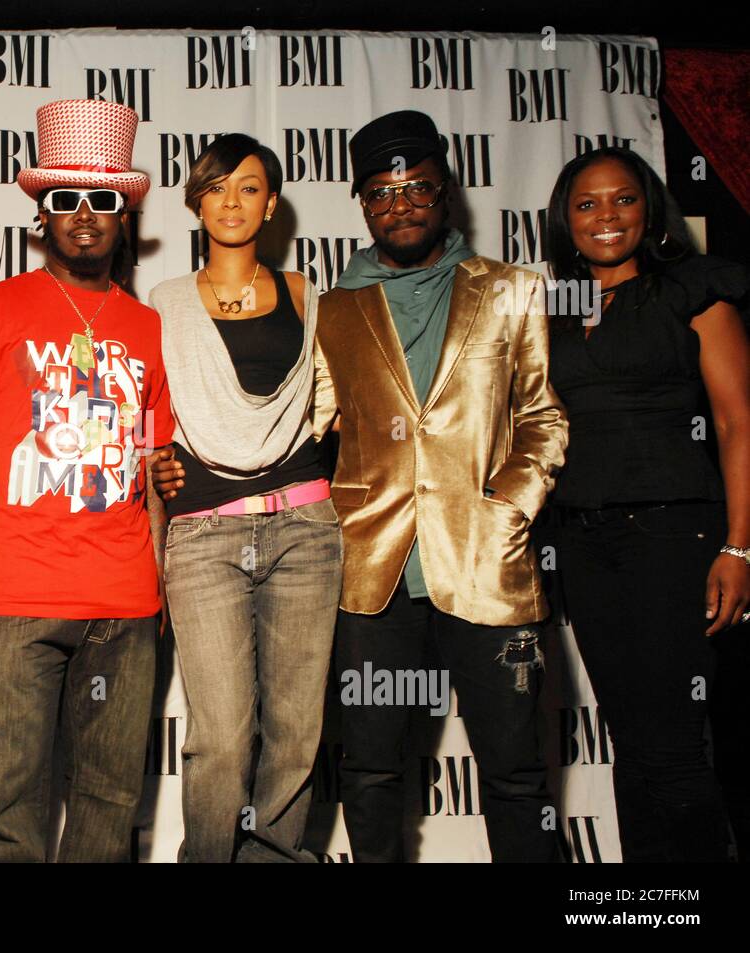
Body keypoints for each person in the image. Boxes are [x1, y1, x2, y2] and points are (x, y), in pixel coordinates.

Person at [165, 110, 568, 862]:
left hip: (485, 563)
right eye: (381, 194)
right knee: (371, 770)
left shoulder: (512, 288)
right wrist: (180, 456)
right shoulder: (336, 305)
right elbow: (302, 417)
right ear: (361, 204)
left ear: (446, 191)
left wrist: (508, 505)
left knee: (515, 774)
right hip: (367, 570)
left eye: (417, 188)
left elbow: (542, 416)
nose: (401, 205)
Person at [0, 99, 172, 862]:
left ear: (124, 212)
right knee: (7, 804)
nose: (84, 214)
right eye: (64, 198)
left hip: (126, 607)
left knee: (108, 808)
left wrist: (159, 582)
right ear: (41, 213)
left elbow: (156, 472)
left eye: (102, 199)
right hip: (15, 604)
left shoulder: (150, 326)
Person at [544, 146, 750, 862]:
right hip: (582, 541)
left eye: (623, 199)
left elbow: (736, 422)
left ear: (650, 209)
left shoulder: (693, 290)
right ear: (565, 221)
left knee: (673, 746)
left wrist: (739, 547)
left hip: (674, 533)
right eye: (588, 204)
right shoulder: (554, 310)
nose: (606, 216)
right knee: (629, 741)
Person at [146, 134, 341, 862]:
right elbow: (147, 411)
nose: (232, 202)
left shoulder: (305, 294)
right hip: (203, 537)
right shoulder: (163, 304)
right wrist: (153, 463)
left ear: (273, 203)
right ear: (196, 201)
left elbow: (327, 395)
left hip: (306, 530)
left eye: (249, 187)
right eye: (217, 187)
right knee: (221, 736)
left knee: (296, 729)